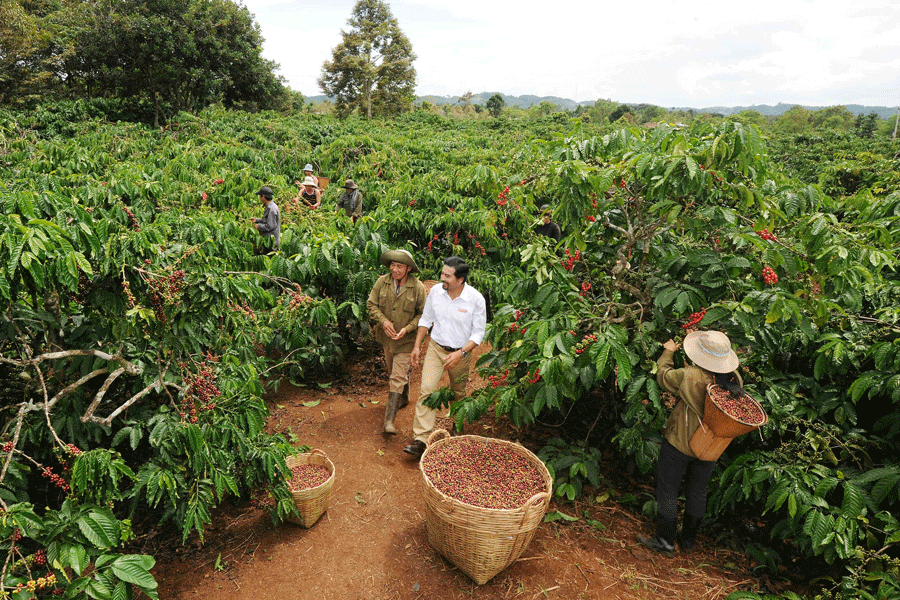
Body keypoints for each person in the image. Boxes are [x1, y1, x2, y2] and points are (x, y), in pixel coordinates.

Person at [637, 330, 745, 556]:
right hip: (710, 448)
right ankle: (687, 541)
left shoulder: (691, 376)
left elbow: (664, 376)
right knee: (697, 492)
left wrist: (668, 351)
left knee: (668, 490)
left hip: (680, 443)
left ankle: (665, 541)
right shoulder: (734, 378)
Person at [404, 256, 487, 459]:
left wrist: (461, 353)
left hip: (461, 352)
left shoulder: (475, 299)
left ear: (460, 279)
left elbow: (478, 333)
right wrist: (417, 346)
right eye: (442, 273)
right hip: (436, 348)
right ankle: (421, 439)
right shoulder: (435, 293)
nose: (442, 278)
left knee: (458, 391)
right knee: (427, 390)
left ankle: (457, 425)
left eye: (447, 275)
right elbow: (426, 319)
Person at [366, 249, 427, 435]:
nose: (394, 269)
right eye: (392, 265)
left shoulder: (417, 288)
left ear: (408, 268)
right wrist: (383, 321)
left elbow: (423, 315)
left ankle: (389, 422)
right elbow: (371, 304)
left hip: (406, 341)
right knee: (394, 371)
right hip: (387, 339)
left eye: (399, 266)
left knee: (396, 377)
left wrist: (407, 329)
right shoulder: (381, 282)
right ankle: (404, 397)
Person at [249, 185, 281, 250]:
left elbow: (270, 226)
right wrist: (256, 220)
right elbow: (267, 220)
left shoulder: (272, 209)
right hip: (269, 241)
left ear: (263, 196)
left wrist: (259, 226)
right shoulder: (270, 206)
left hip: (271, 242)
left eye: (259, 196)